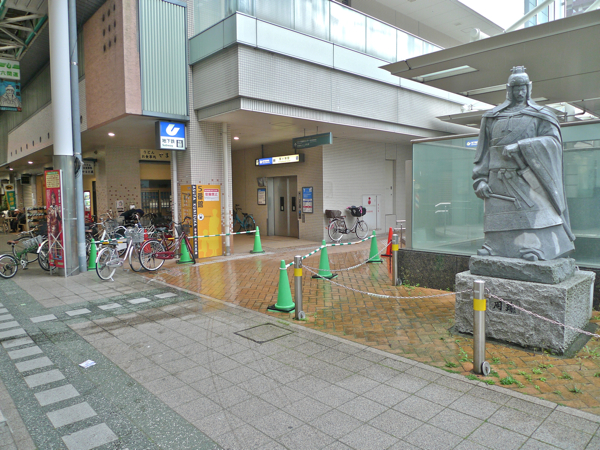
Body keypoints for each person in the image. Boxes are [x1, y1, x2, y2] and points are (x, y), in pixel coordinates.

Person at [472, 66, 575, 261]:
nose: (520, 93)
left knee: (531, 215)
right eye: (515, 88)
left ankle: (535, 248)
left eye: (523, 88)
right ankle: (494, 247)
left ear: (529, 88)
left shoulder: (540, 114)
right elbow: (483, 152)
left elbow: (553, 143)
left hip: (526, 177)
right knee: (498, 217)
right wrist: (480, 180)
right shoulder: (492, 117)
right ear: (508, 89)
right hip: (496, 180)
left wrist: (522, 146)